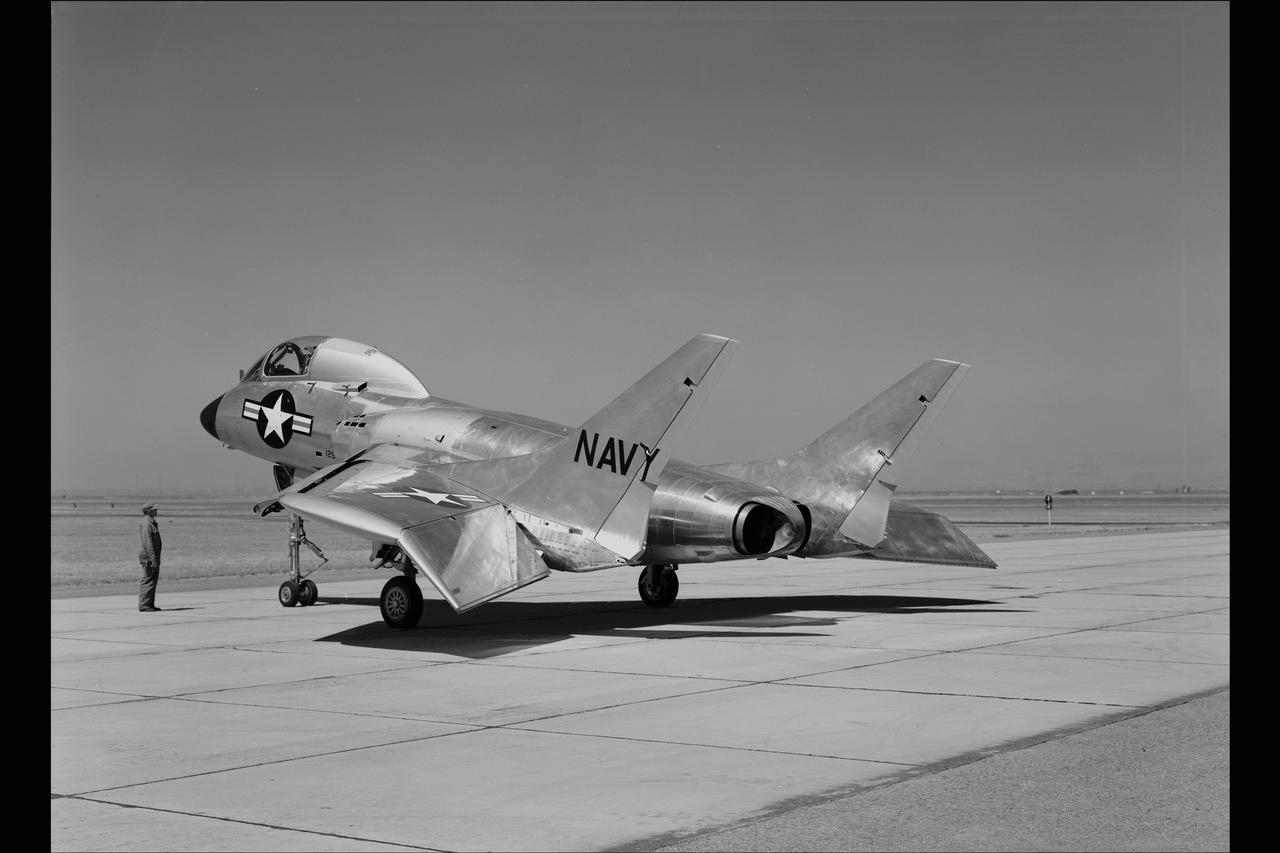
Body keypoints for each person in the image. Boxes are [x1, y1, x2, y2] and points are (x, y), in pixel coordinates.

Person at [138, 503, 162, 612]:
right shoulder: (146, 524)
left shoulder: (151, 522)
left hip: (152, 557)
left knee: (152, 581)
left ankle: (149, 604)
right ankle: (144, 605)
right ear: (148, 511)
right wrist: (152, 558)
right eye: (154, 509)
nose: (156, 511)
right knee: (148, 580)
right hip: (148, 558)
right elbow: (148, 542)